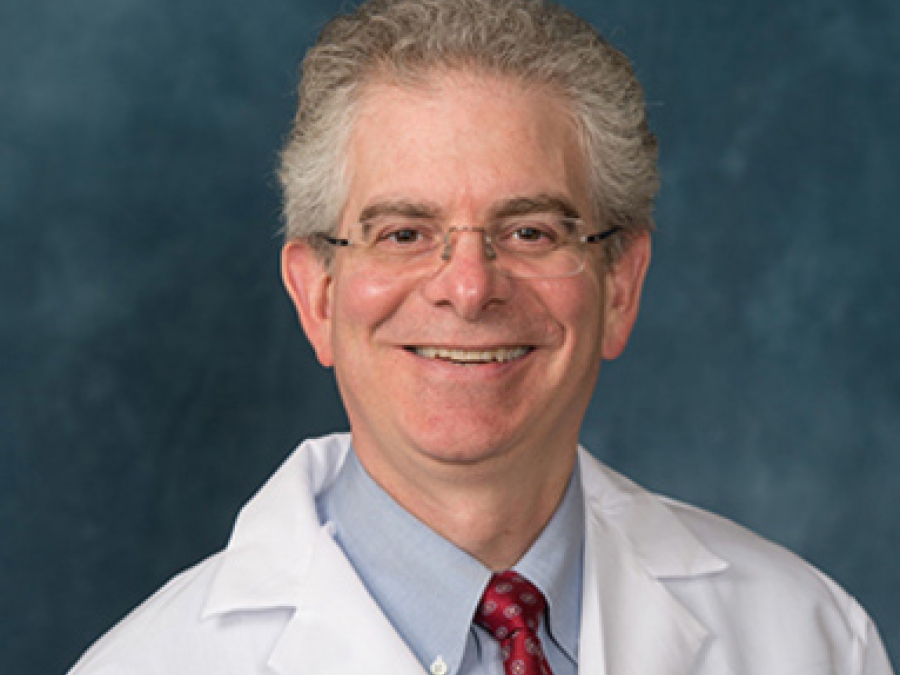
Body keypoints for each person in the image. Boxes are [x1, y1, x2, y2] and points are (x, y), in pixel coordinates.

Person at [68, 0, 894, 674]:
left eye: (531, 231)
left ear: (620, 284)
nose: (468, 287)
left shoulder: (811, 640)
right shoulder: (152, 661)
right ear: (317, 294)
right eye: (402, 233)